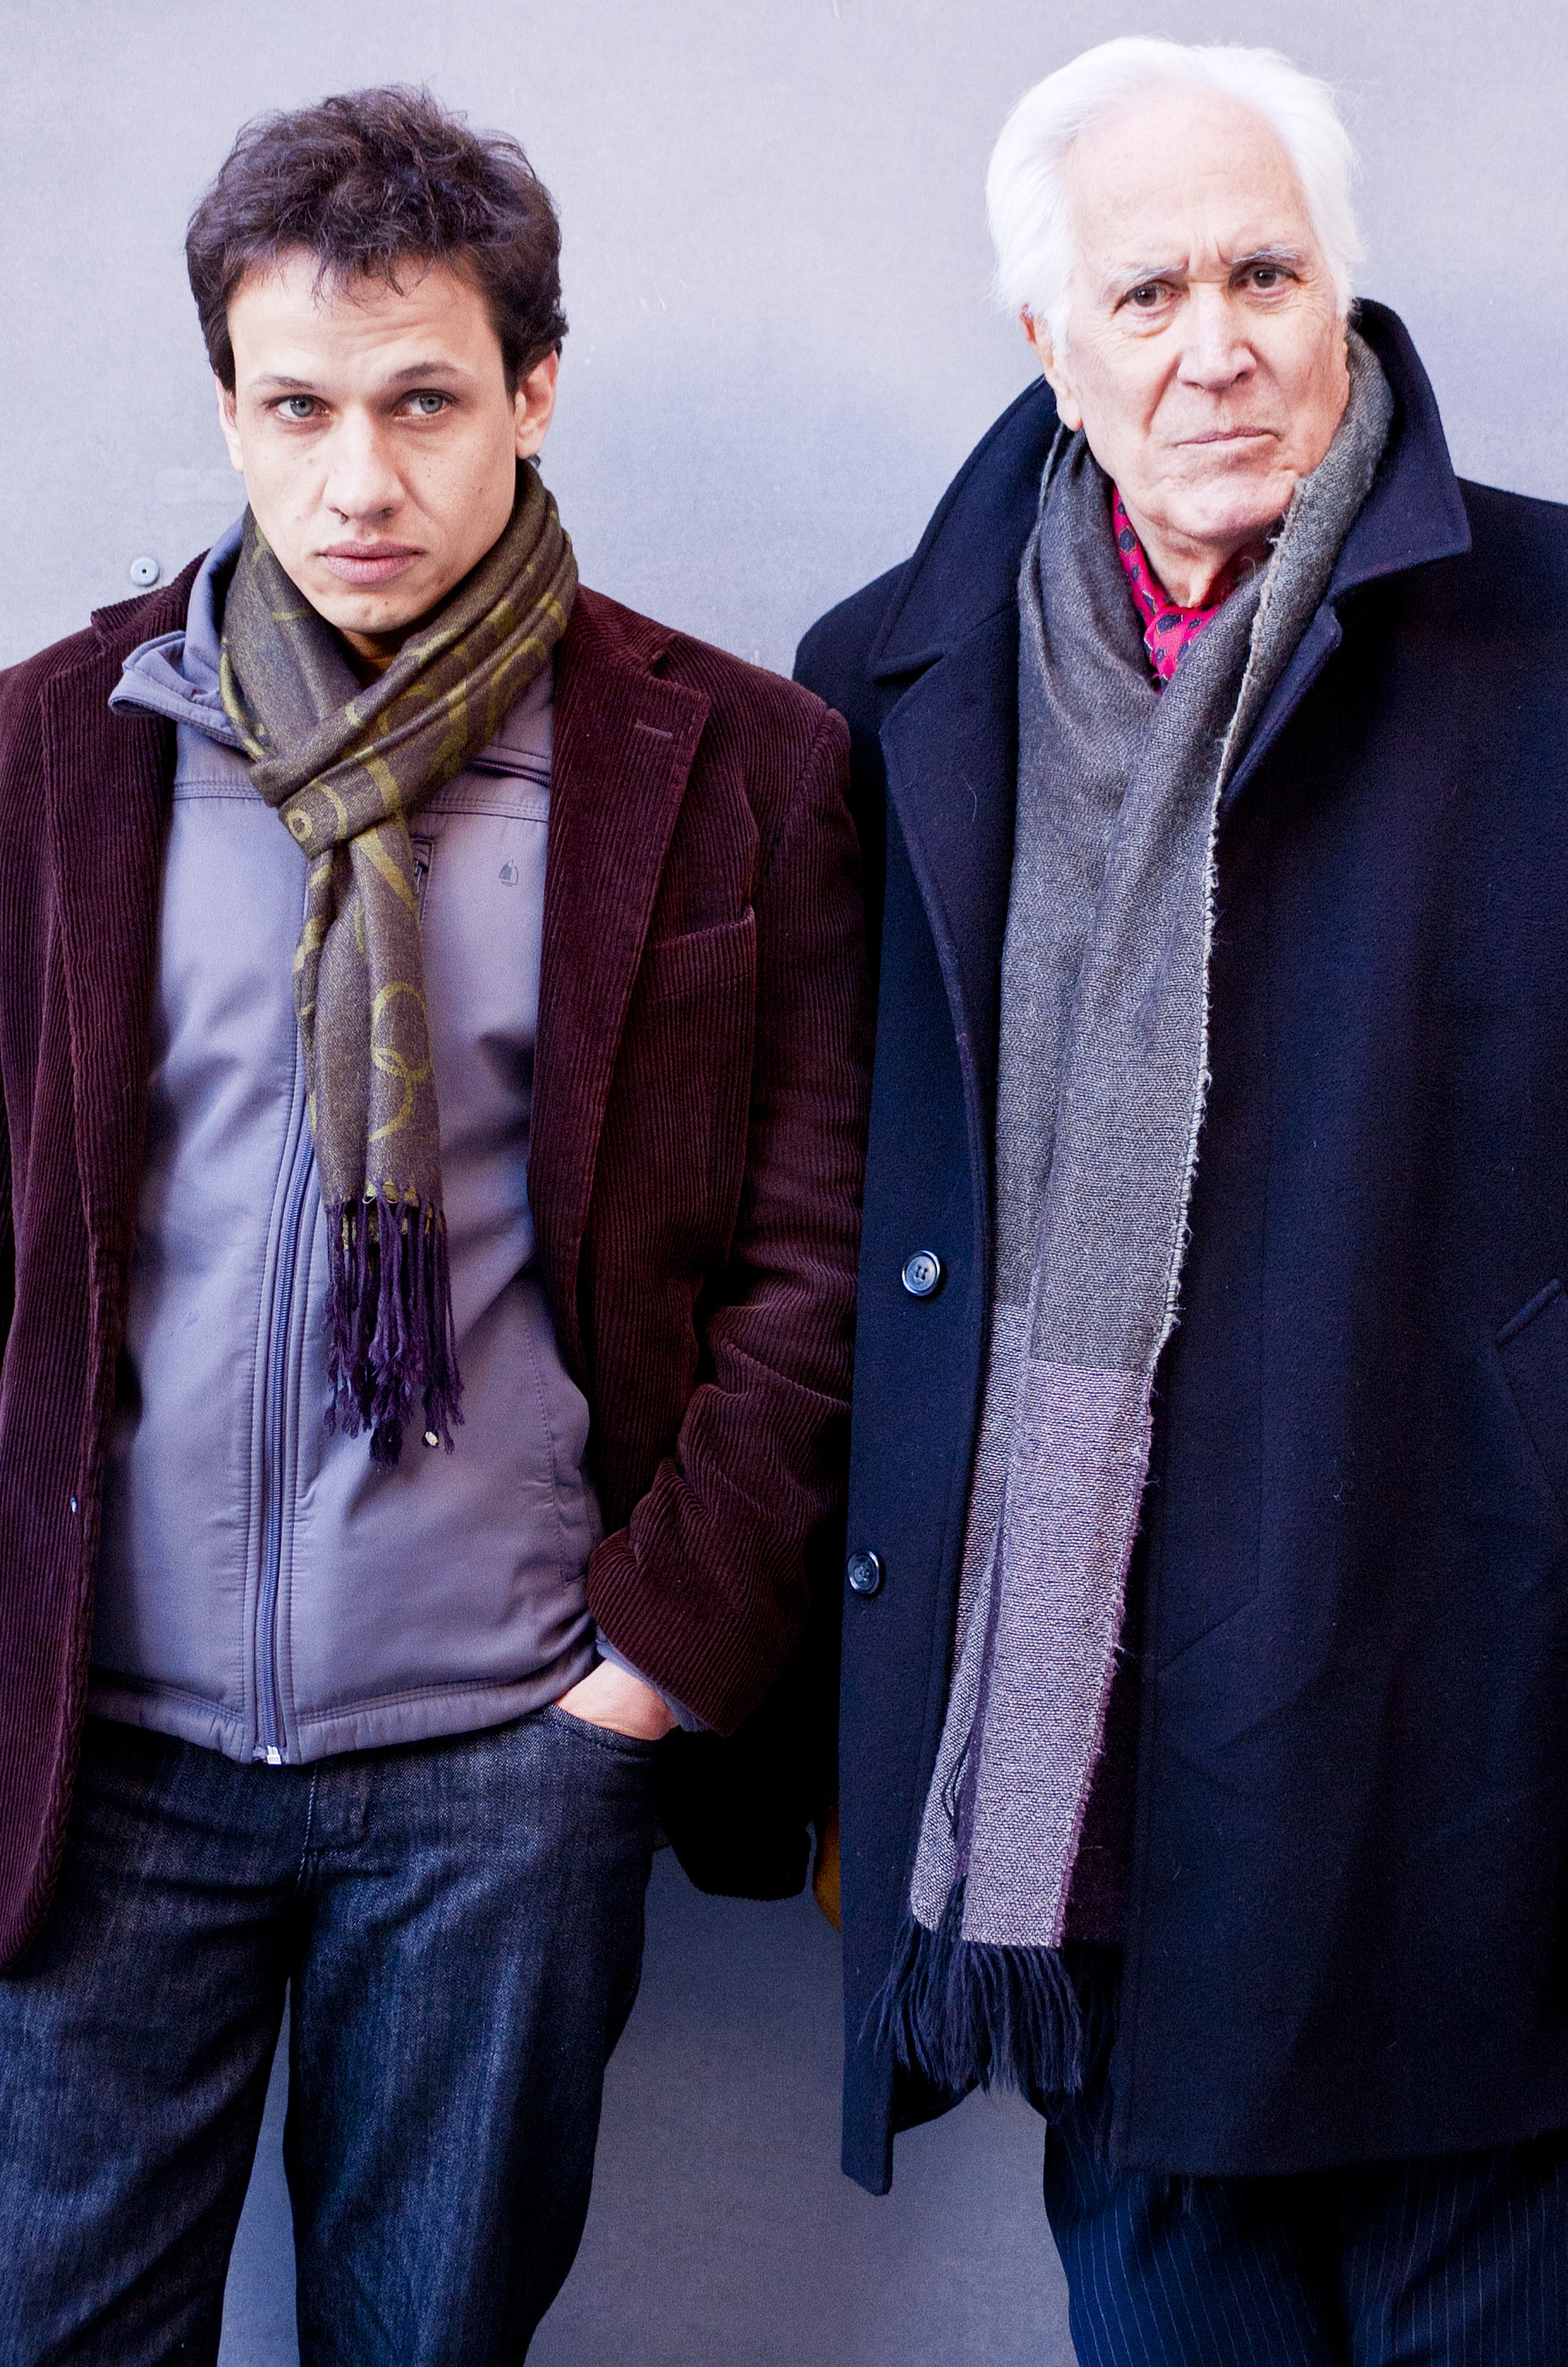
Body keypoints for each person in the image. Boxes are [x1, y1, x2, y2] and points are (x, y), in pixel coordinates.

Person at [0, 86, 867, 2363]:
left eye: (423, 402)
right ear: (227, 405)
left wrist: (640, 1675)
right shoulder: (53, 754)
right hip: (107, 1757)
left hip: (509, 1756)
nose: (358, 481)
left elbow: (812, 1268)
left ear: (533, 388)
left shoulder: (738, 765)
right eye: (297, 408)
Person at [797, 35, 1568, 2364]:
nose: (1215, 344)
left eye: (1266, 273)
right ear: (1053, 343)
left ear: (1343, 291)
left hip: (1474, 1698)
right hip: (1105, 1759)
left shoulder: (1553, 637)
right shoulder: (898, 683)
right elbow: (838, 1215)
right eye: (1147, 293)